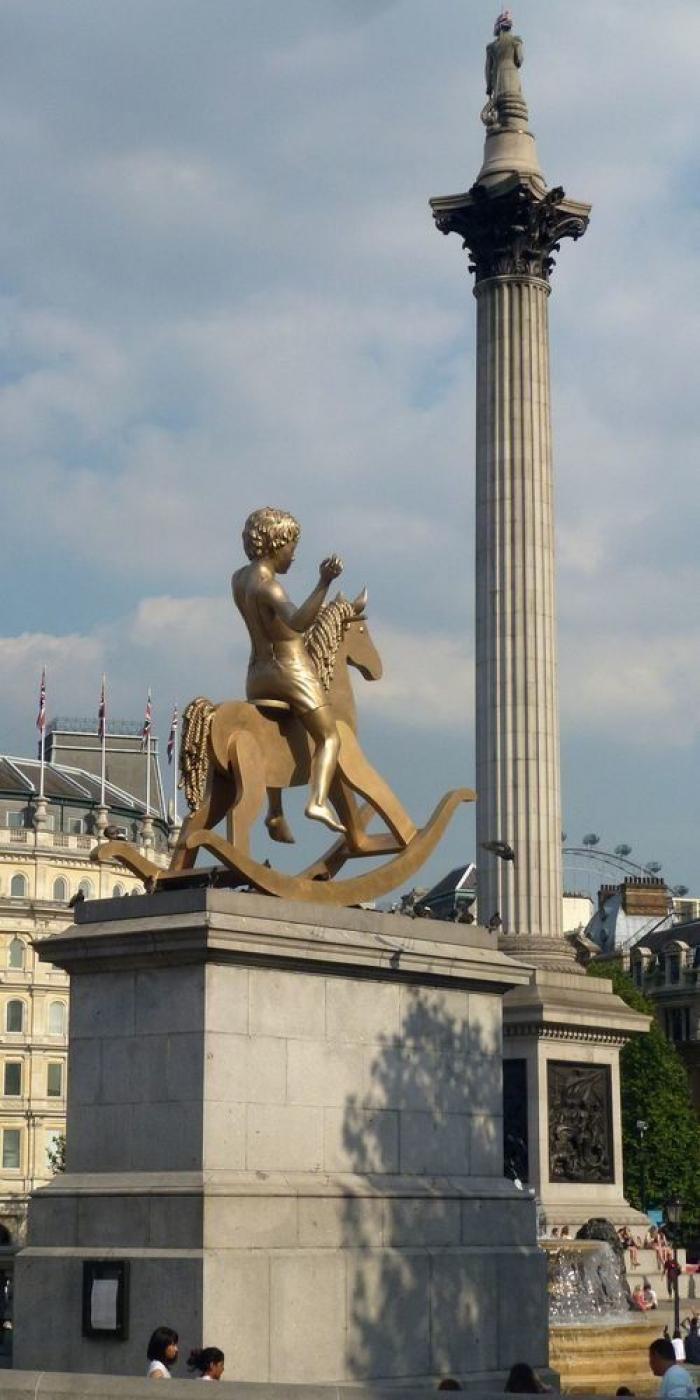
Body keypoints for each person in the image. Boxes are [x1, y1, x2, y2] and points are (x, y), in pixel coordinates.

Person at [233, 507, 345, 836]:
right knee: (329, 736)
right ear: (275, 544)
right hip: (291, 671)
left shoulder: (239, 579)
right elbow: (298, 623)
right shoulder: (271, 587)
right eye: (291, 548)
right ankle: (318, 801)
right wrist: (324, 583)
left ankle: (275, 811)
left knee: (275, 734)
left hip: (257, 674)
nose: (293, 556)